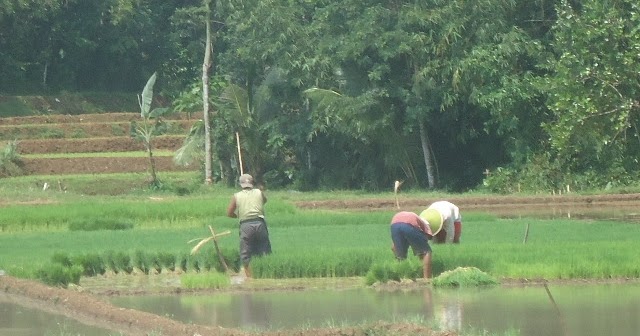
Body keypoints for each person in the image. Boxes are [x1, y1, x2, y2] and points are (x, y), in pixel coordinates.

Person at [226, 174, 272, 278]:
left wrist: (238, 215)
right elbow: (264, 201)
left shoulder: (236, 196)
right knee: (264, 250)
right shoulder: (259, 192)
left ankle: (249, 276)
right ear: (252, 183)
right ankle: (264, 274)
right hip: (260, 224)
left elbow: (229, 213)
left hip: (246, 225)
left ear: (241, 184)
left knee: (246, 253)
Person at [390, 211, 433, 278]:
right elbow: (428, 237)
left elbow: (393, 247)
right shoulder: (425, 225)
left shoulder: (415, 218)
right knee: (426, 252)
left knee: (401, 256)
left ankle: (401, 277)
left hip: (394, 224)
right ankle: (427, 278)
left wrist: (399, 251)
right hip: (409, 224)